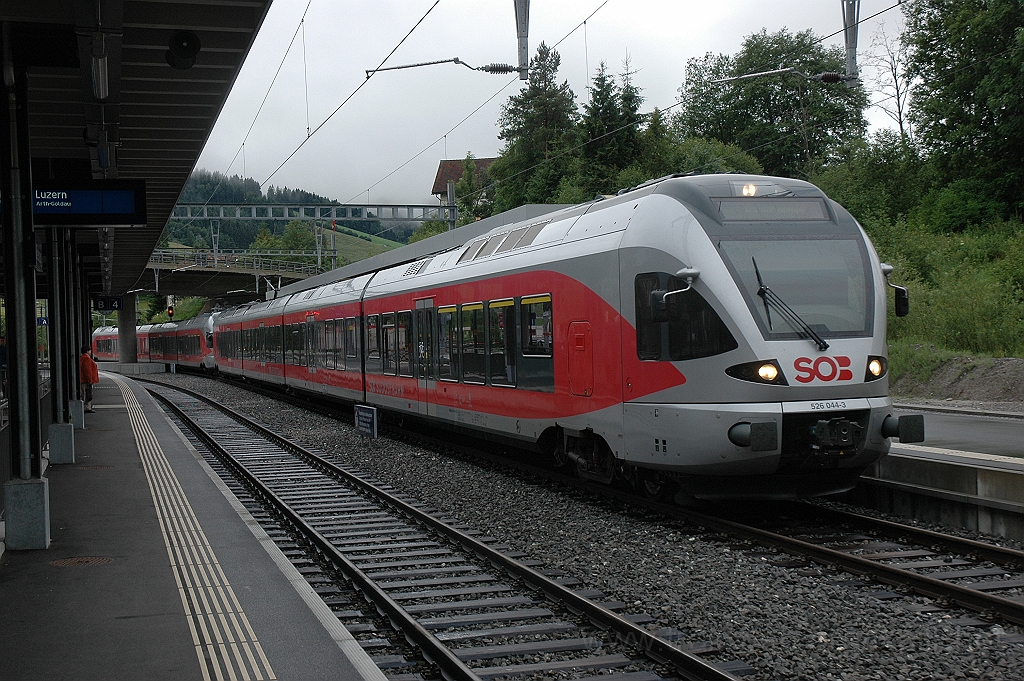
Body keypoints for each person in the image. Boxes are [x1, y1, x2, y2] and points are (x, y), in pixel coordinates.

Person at [79, 345, 99, 413]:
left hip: (82, 379)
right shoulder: (86, 359)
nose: (90, 352)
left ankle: (86, 407)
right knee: (87, 393)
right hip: (86, 380)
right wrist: (90, 380)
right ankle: (87, 408)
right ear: (87, 351)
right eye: (90, 350)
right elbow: (88, 371)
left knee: (84, 393)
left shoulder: (81, 358)